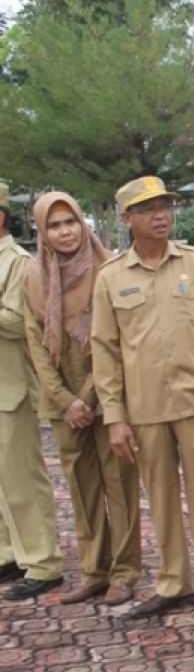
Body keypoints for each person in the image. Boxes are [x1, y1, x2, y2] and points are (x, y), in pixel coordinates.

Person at [92, 175, 194, 629]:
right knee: (159, 499)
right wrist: (115, 418)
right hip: (146, 408)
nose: (161, 215)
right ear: (128, 218)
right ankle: (174, 583)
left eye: (165, 206)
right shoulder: (112, 277)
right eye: (149, 208)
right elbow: (105, 349)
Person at [22, 191, 141, 605]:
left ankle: (125, 572)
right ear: (42, 232)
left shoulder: (109, 269)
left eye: (70, 221)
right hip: (61, 401)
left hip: (109, 393)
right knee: (82, 487)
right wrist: (64, 399)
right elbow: (36, 345)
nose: (64, 232)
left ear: (82, 222)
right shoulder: (33, 278)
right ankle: (95, 569)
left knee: (119, 484)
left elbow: (119, 341)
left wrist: (89, 398)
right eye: (53, 225)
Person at [0, 184, 64, 600]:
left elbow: (15, 320)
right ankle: (9, 554)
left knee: (22, 479)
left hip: (11, 388)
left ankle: (43, 562)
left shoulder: (18, 263)